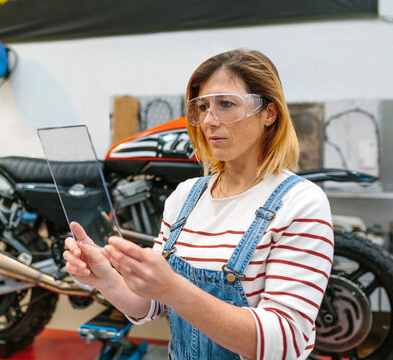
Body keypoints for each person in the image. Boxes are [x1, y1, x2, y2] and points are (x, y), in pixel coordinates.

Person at [63, 49, 334, 360]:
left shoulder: (299, 203)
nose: (208, 120)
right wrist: (105, 279)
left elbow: (285, 340)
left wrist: (173, 289)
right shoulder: (185, 197)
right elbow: (152, 305)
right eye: (202, 107)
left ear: (269, 112)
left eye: (226, 105)